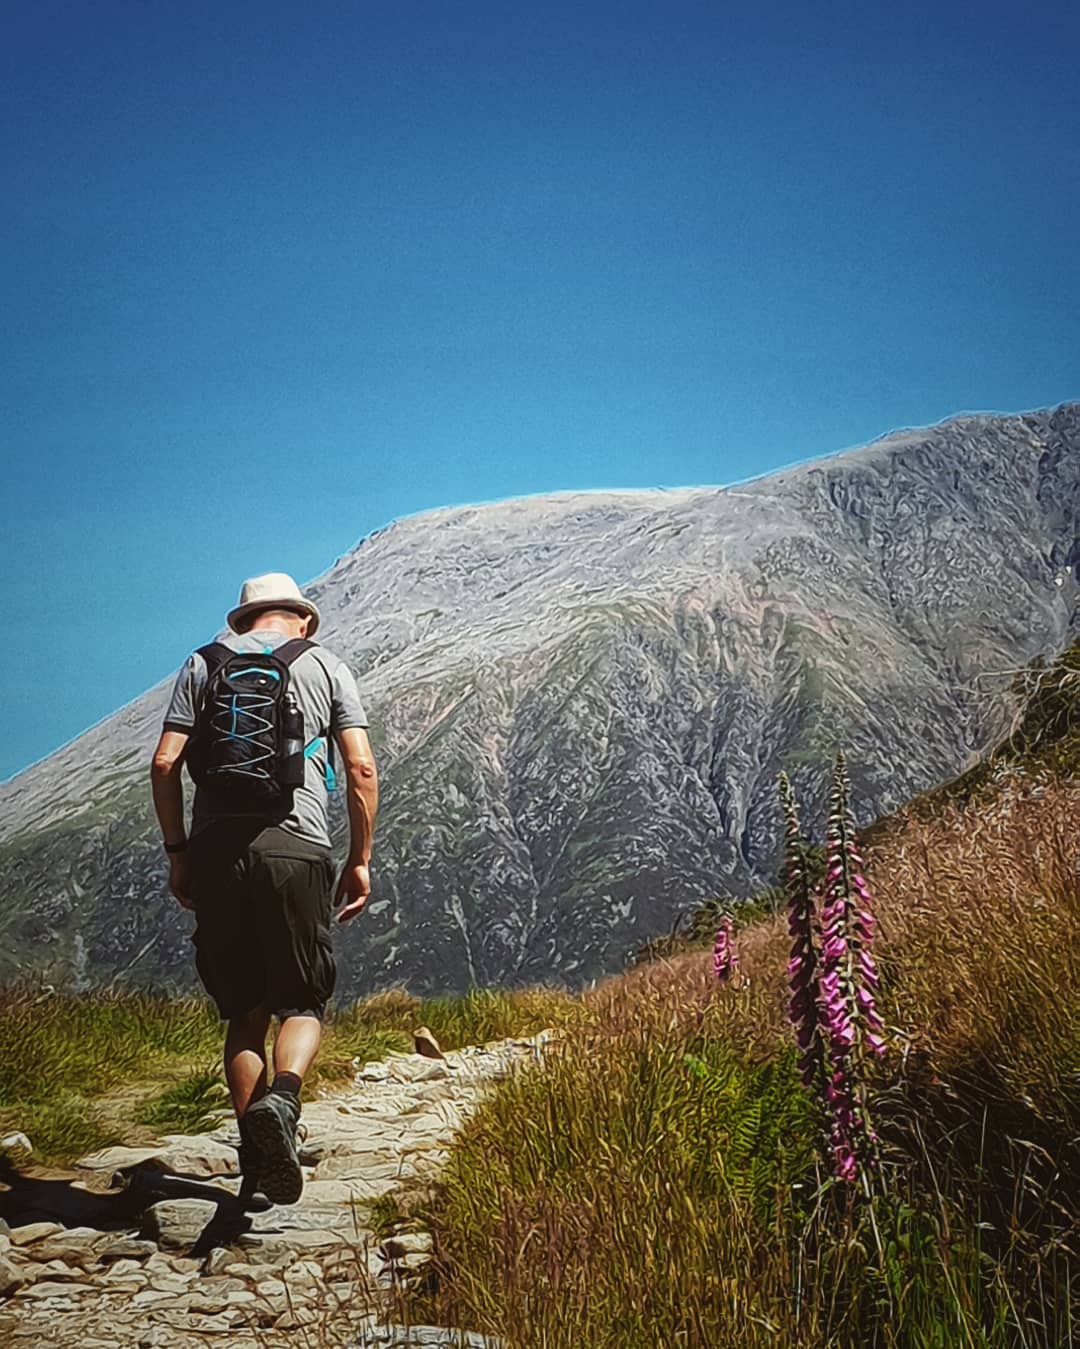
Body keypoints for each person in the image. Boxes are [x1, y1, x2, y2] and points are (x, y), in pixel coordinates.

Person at [149, 572, 378, 1207]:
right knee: (301, 1003)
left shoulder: (203, 663)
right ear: (302, 620)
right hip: (297, 847)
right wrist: (358, 858)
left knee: (243, 1014)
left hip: (217, 850)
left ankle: (256, 1166)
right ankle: (283, 1101)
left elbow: (165, 764)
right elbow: (359, 768)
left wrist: (178, 853)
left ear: (243, 620)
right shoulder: (324, 665)